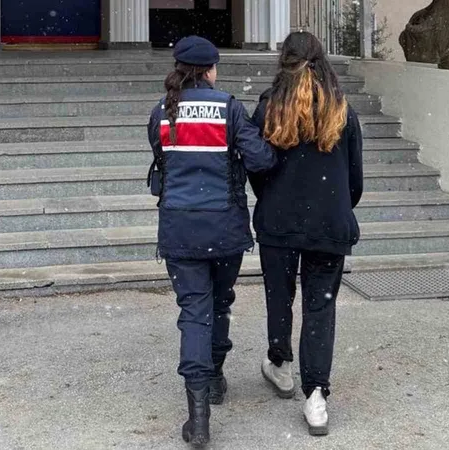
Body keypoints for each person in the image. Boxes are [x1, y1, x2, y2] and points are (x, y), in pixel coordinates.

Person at [147, 36, 276, 447]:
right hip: (224, 229)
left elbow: (162, 162)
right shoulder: (229, 107)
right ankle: (215, 376)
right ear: (210, 70)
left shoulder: (160, 111)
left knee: (194, 312)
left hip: (179, 229)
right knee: (220, 303)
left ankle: (198, 418)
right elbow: (261, 160)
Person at [249, 31, 364, 436]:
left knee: (279, 296)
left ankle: (280, 363)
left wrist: (274, 199)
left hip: (278, 220)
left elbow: (256, 167)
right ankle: (316, 395)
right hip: (329, 222)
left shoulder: (268, 108)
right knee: (320, 307)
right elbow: (354, 179)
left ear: (284, 61)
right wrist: (333, 205)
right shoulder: (342, 109)